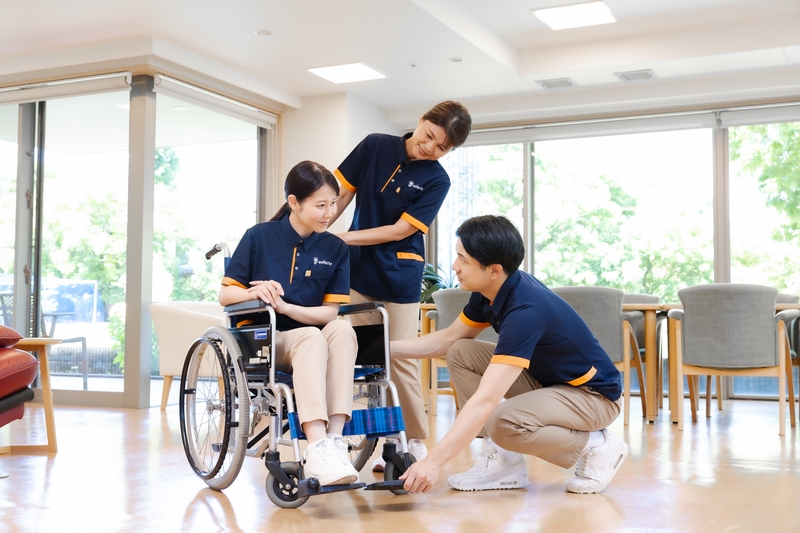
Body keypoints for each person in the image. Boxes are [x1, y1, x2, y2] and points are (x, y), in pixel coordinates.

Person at [392, 215, 629, 495]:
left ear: (494, 269)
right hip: (551, 384)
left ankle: (596, 445)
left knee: (502, 421)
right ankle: (504, 462)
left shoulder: (526, 310)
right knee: (461, 352)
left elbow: (486, 400)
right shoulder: (490, 292)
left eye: (463, 260)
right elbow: (448, 338)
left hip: (593, 397)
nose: (455, 267)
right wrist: (381, 349)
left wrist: (433, 462)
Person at [330, 101, 472, 471]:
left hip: (399, 275)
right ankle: (370, 437)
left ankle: (412, 441)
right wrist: (320, 228)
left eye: (441, 148)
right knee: (366, 358)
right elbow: (341, 192)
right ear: (421, 119)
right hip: (358, 273)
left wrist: (343, 239)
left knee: (399, 358)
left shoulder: (437, 179)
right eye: (428, 137)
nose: (429, 148)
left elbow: (400, 231)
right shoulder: (375, 145)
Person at [219, 160, 360, 486]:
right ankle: (316, 444)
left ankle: (334, 442)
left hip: (312, 333)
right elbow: (225, 295)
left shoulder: (335, 247)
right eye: (320, 205)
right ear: (294, 202)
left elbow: (329, 313)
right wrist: (254, 291)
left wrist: (285, 305)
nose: (329, 212)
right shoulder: (259, 237)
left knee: (341, 328)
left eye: (333, 204)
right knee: (311, 336)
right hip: (266, 340)